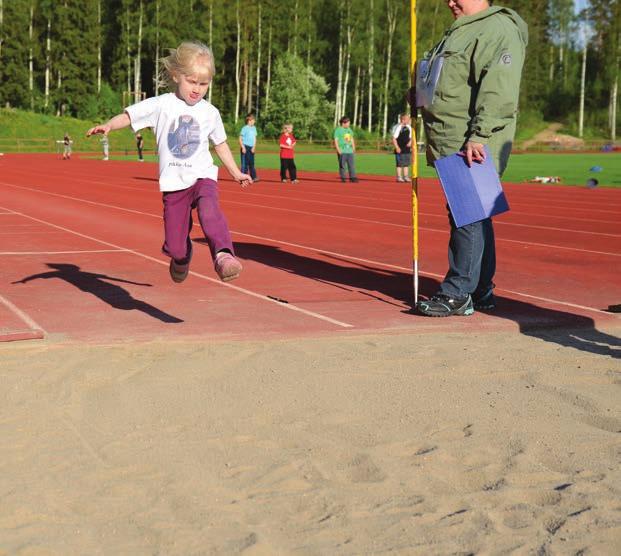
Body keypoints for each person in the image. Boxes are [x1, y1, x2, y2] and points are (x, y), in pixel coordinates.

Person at [87, 40, 251, 284]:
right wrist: (109, 125)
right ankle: (182, 257)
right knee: (176, 247)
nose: (197, 89)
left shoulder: (210, 112)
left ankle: (223, 255)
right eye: (192, 82)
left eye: (204, 84)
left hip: (202, 176)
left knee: (209, 209)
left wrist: (236, 172)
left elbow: (220, 144)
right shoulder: (161, 105)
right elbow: (129, 115)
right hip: (174, 184)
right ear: (176, 75)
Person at [416, 0, 527, 317]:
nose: (450, 1)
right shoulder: (461, 29)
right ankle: (480, 289)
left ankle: (458, 292)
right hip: (452, 134)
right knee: (474, 212)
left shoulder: (496, 28)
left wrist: (479, 135)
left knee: (467, 213)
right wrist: (422, 93)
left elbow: (499, 88)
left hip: (470, 138)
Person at [333, 116, 358, 183]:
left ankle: (352, 177)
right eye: (348, 123)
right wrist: (338, 149)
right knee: (342, 165)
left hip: (349, 151)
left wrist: (353, 147)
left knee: (351, 165)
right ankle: (343, 177)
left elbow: (352, 139)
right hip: (342, 151)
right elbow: (336, 140)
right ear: (343, 123)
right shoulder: (338, 130)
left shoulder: (349, 130)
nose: (349, 124)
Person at [391, 113, 412, 182]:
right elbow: (394, 138)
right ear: (403, 120)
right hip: (399, 148)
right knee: (399, 163)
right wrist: (397, 147)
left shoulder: (409, 127)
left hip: (407, 148)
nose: (409, 121)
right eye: (407, 119)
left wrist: (410, 142)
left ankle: (406, 177)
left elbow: (411, 137)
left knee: (406, 163)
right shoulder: (397, 127)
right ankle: (399, 177)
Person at [239, 113, 259, 182]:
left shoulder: (254, 128)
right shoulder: (244, 128)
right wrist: (243, 147)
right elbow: (240, 138)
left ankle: (254, 177)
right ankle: (243, 177)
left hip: (251, 148)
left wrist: (254, 147)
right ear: (249, 120)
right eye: (253, 120)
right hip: (245, 147)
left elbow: (255, 139)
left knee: (251, 163)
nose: (254, 121)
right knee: (244, 164)